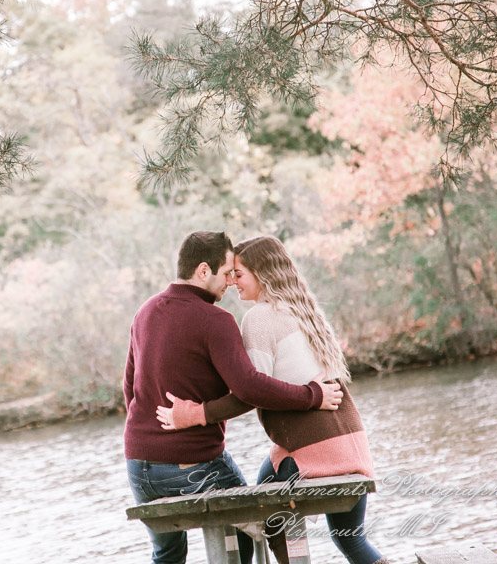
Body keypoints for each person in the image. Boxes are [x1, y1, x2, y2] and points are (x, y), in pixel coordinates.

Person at [156, 236, 388, 564]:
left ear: (262, 275)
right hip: (351, 443)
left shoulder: (260, 317)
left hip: (310, 449)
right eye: (230, 273)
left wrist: (198, 414)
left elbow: (250, 392)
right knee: (351, 540)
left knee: (264, 516)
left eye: (240, 274)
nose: (232, 281)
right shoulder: (306, 311)